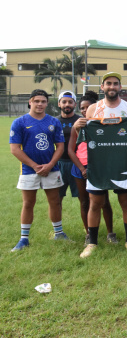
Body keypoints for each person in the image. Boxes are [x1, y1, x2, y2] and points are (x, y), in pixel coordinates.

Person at [81, 72, 127, 258]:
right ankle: (92, 243)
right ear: (102, 87)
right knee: (95, 203)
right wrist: (78, 126)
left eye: (115, 84)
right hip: (99, 164)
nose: (112, 87)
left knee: (126, 203)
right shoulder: (93, 109)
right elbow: (85, 136)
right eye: (108, 84)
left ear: (120, 87)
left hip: (123, 162)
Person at [10, 89, 68, 251]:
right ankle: (23, 239)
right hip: (29, 171)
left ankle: (59, 233)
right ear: (30, 102)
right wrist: (34, 166)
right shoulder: (19, 122)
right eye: (36, 101)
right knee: (28, 203)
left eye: (43, 101)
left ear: (47, 103)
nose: (40, 104)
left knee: (55, 201)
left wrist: (49, 165)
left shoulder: (53, 122)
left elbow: (60, 146)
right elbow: (15, 149)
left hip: (52, 169)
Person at [67, 92, 116, 244]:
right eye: (82, 108)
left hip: (99, 167)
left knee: (104, 201)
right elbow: (70, 150)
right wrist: (82, 169)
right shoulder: (78, 125)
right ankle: (89, 233)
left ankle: (110, 233)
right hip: (80, 167)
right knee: (84, 202)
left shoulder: (103, 123)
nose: (85, 110)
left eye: (88, 107)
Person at [55, 91, 81, 209]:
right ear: (59, 104)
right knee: (56, 200)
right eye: (64, 102)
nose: (67, 104)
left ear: (75, 104)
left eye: (70, 102)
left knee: (84, 200)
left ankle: (88, 228)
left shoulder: (81, 121)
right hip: (59, 164)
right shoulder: (53, 121)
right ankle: (57, 227)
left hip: (77, 164)